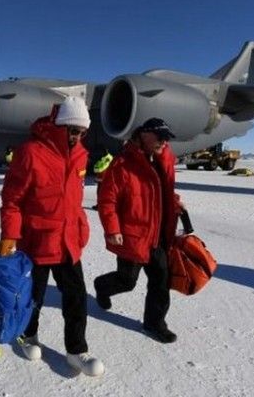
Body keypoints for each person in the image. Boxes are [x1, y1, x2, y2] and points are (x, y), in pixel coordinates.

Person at [0, 96, 104, 376]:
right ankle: (27, 335)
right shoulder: (31, 152)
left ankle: (76, 350)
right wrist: (9, 235)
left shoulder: (81, 153)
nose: (78, 136)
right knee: (34, 297)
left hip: (68, 241)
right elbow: (12, 200)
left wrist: (81, 224)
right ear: (60, 126)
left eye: (82, 132)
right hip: (38, 241)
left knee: (76, 298)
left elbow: (75, 196)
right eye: (73, 131)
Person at [93, 117, 183, 344]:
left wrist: (175, 202)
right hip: (133, 235)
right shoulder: (123, 164)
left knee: (161, 282)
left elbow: (163, 192)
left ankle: (154, 323)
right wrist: (113, 228)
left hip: (159, 236)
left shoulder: (164, 161)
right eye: (159, 136)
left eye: (167, 138)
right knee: (127, 281)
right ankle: (102, 286)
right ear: (144, 135)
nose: (164, 142)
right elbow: (107, 200)